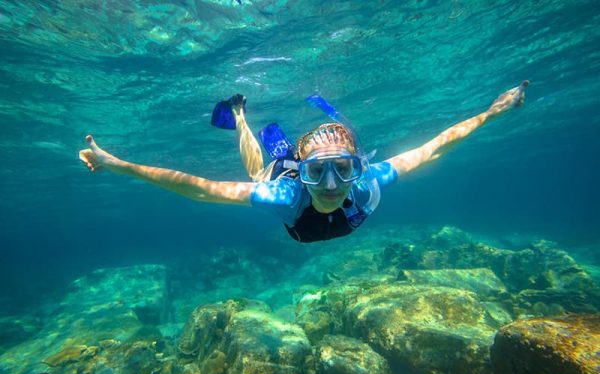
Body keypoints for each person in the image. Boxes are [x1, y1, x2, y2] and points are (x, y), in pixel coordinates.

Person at [79, 81, 528, 242]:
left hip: (298, 168)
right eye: (318, 171)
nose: (332, 185)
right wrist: (117, 164)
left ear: (358, 168)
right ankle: (239, 115)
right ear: (304, 174)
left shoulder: (368, 182)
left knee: (279, 166)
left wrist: (493, 112)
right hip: (282, 169)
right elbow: (197, 187)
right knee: (258, 171)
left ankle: (269, 134)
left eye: (343, 170)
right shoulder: (285, 195)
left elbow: (434, 147)